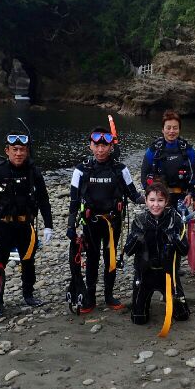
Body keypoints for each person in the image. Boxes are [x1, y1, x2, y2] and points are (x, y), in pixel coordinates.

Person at [67, 127, 143, 313]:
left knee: (110, 258)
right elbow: (74, 201)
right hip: (90, 223)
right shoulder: (81, 170)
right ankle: (90, 298)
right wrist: (70, 226)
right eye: (97, 146)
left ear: (111, 147)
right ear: (90, 146)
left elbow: (134, 195)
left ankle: (109, 296)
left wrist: (155, 199)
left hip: (112, 223)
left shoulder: (120, 169)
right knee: (92, 259)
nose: (100, 150)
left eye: (104, 146)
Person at [0, 131, 54, 317]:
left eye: (22, 150)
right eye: (15, 149)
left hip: (25, 226)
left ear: (27, 151)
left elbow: (44, 200)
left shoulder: (34, 172)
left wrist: (48, 225)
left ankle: (28, 294)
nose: (18, 153)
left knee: (28, 261)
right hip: (2, 227)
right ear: (7, 151)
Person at [124, 182, 190, 325]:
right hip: (145, 274)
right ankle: (142, 303)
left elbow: (185, 250)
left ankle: (171, 299)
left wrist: (174, 239)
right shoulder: (140, 220)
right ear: (146, 200)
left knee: (182, 316)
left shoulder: (175, 219)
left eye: (160, 200)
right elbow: (128, 250)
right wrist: (137, 238)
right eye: (152, 200)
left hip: (168, 274)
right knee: (138, 319)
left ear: (166, 201)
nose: (156, 205)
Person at [140, 109, 195, 209]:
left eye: (175, 128)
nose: (171, 131)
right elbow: (144, 174)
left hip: (182, 196)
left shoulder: (187, 150)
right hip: (159, 197)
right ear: (163, 130)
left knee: (181, 219)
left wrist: (193, 196)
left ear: (179, 130)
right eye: (168, 128)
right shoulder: (153, 150)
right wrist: (151, 196)